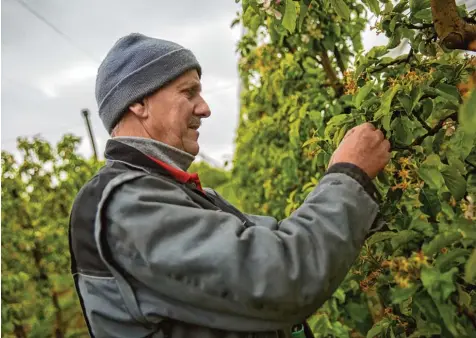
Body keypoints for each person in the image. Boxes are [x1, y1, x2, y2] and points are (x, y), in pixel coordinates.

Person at [69, 33, 391, 338]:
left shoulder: (180, 195)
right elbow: (279, 277)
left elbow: (274, 239)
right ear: (139, 102)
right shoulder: (125, 205)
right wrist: (349, 175)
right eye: (188, 92)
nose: (205, 108)